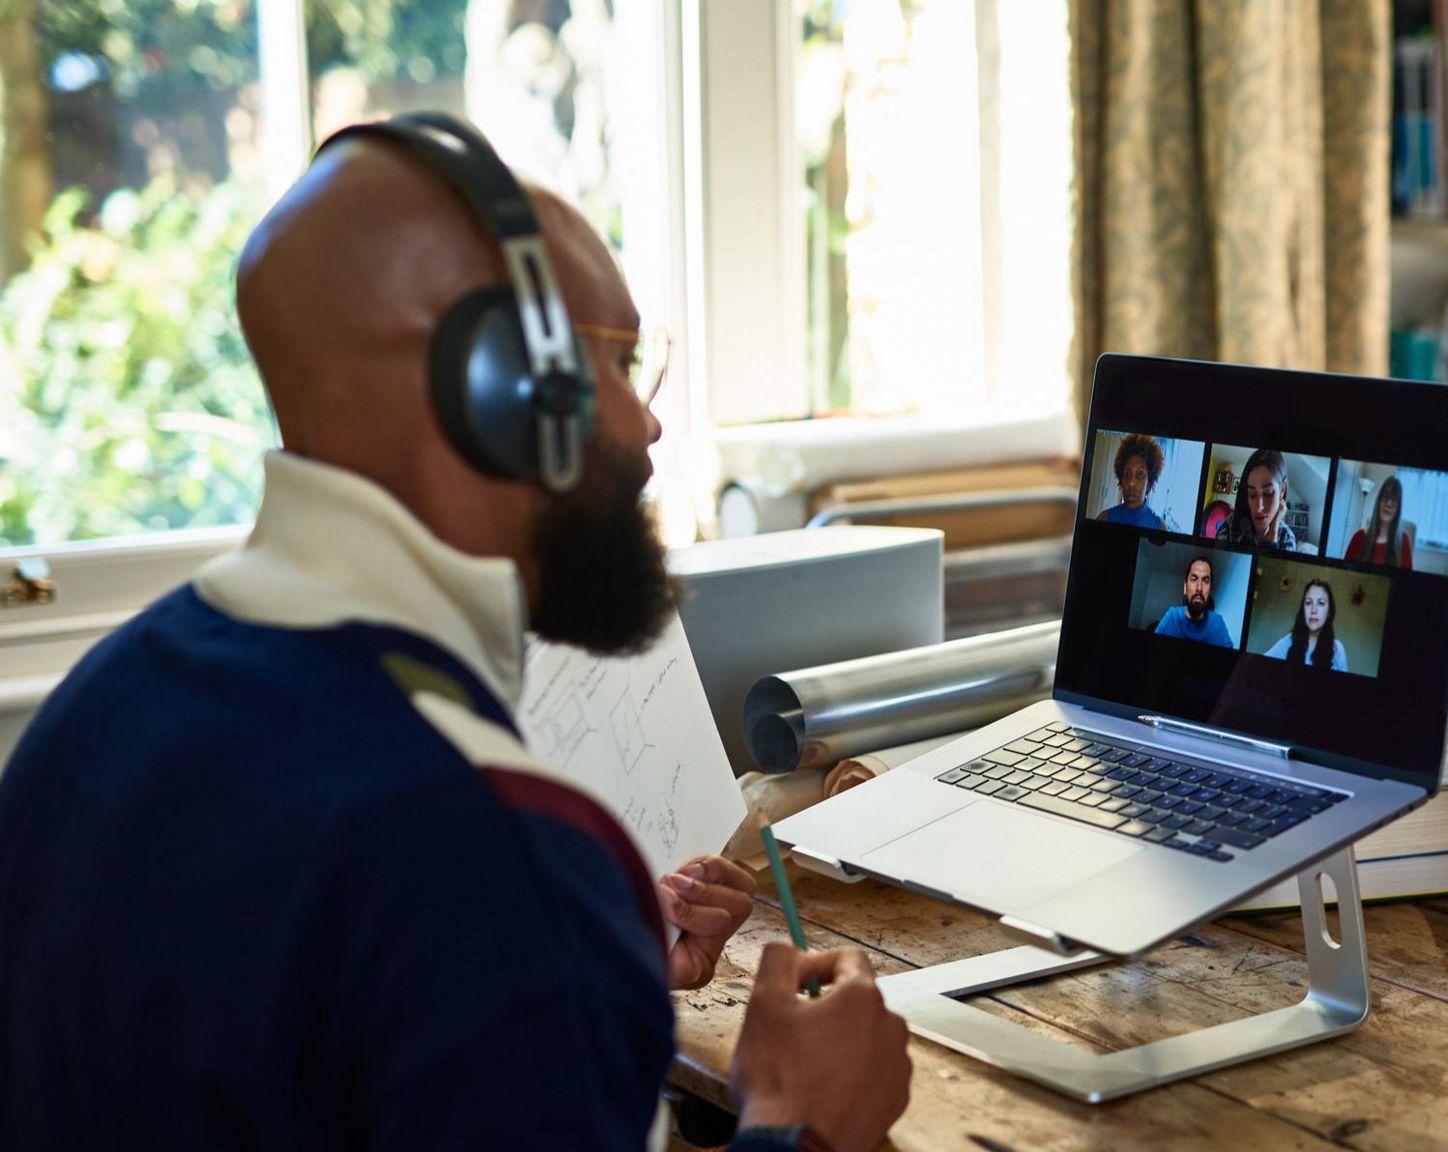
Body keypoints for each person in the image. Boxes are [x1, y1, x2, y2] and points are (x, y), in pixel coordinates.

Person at [0, 121, 910, 1152]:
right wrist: (803, 1127)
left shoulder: (102, 705)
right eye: (614, 363)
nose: (645, 426)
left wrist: (554, 1001)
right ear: (493, 389)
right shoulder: (501, 844)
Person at [1213, 448, 1301, 551]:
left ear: (1282, 490)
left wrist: (1273, 533)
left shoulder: (1287, 538)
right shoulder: (1232, 522)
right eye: (1252, 494)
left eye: (1268, 493)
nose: (1259, 507)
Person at [1261, 579, 1348, 671]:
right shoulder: (1289, 642)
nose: (1313, 610)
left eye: (1321, 603)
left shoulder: (1337, 649)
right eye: (1308, 603)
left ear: (1329, 612)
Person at [1153, 555, 1237, 647]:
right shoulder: (1172, 615)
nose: (1199, 588)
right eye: (1194, 579)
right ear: (1185, 587)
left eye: (1205, 581)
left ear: (1210, 591)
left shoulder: (1218, 622)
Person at [1096, 432, 1167, 529]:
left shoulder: (1160, 527)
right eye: (1127, 475)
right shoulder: (1103, 518)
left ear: (1149, 483)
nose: (1131, 483)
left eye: (1140, 475)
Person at [1344, 474, 1413, 569]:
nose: (1389, 503)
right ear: (1379, 501)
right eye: (1386, 497)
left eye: (1394, 500)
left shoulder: (1404, 542)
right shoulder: (1358, 537)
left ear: (1398, 508)